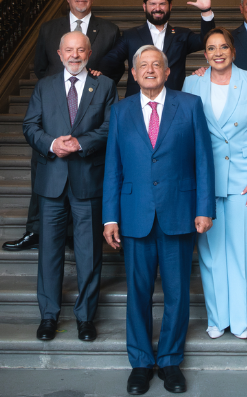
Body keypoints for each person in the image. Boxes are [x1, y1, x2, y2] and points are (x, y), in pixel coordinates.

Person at [102, 46, 215, 395]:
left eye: (157, 65)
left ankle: (168, 360)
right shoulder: (120, 111)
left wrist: (204, 208)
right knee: (137, 293)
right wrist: (109, 218)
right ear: (133, 75)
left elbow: (203, 161)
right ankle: (140, 363)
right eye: (143, 66)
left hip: (179, 213)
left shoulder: (190, 106)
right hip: (135, 215)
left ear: (168, 72)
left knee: (177, 293)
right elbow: (113, 169)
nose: (150, 70)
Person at [4, 0, 121, 251]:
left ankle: (72, 234)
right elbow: (41, 67)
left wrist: (90, 77)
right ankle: (35, 230)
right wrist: (56, 92)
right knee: (44, 174)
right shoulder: (48, 28)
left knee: (82, 180)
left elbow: (115, 70)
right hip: (53, 113)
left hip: (88, 111)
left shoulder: (110, 29)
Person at [22, 31, 118, 342]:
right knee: (49, 252)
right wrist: (51, 143)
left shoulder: (104, 85)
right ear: (60, 54)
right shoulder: (44, 86)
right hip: (52, 182)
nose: (74, 55)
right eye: (69, 50)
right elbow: (30, 126)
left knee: (89, 253)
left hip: (87, 181)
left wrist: (81, 142)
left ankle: (85, 318)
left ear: (89, 52)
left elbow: (109, 126)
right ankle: (48, 316)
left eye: (80, 50)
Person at [182, 27, 247, 340]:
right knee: (210, 252)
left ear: (232, 51)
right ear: (204, 54)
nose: (218, 53)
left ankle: (242, 318)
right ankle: (217, 318)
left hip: (243, 180)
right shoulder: (192, 82)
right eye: (211, 48)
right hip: (205, 180)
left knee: (242, 251)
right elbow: (185, 132)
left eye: (223, 47)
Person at [96, 0, 215, 97]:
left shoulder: (181, 35)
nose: (157, 8)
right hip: (137, 102)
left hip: (173, 101)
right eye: (152, 4)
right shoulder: (130, 35)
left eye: (162, 4)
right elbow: (111, 60)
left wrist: (206, 11)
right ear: (144, 6)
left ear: (170, 6)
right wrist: (95, 73)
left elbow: (207, 41)